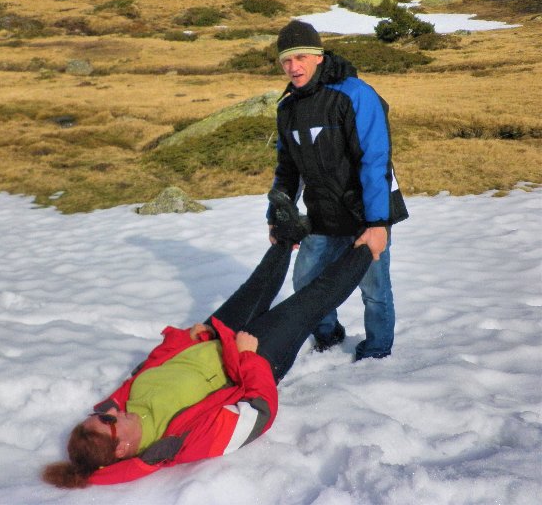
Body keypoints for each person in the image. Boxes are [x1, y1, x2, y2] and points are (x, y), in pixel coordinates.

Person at [42, 197, 373, 488]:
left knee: (256, 286)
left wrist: (186, 339)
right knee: (307, 303)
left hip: (213, 337)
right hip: (251, 361)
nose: (111, 410)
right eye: (108, 421)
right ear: (122, 449)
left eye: (99, 414)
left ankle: (286, 238)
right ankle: (369, 246)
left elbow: (154, 364)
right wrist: (248, 358)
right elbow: (260, 413)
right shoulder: (181, 442)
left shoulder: (125, 405)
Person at [267, 20, 409, 361]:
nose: (293, 66)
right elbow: (287, 168)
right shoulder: (288, 108)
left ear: (318, 56)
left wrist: (377, 224)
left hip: (365, 214)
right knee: (306, 281)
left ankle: (377, 351)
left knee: (374, 291)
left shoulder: (355, 94)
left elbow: (376, 161)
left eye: (300, 57)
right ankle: (328, 336)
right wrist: (278, 216)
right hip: (322, 214)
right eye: (286, 60)